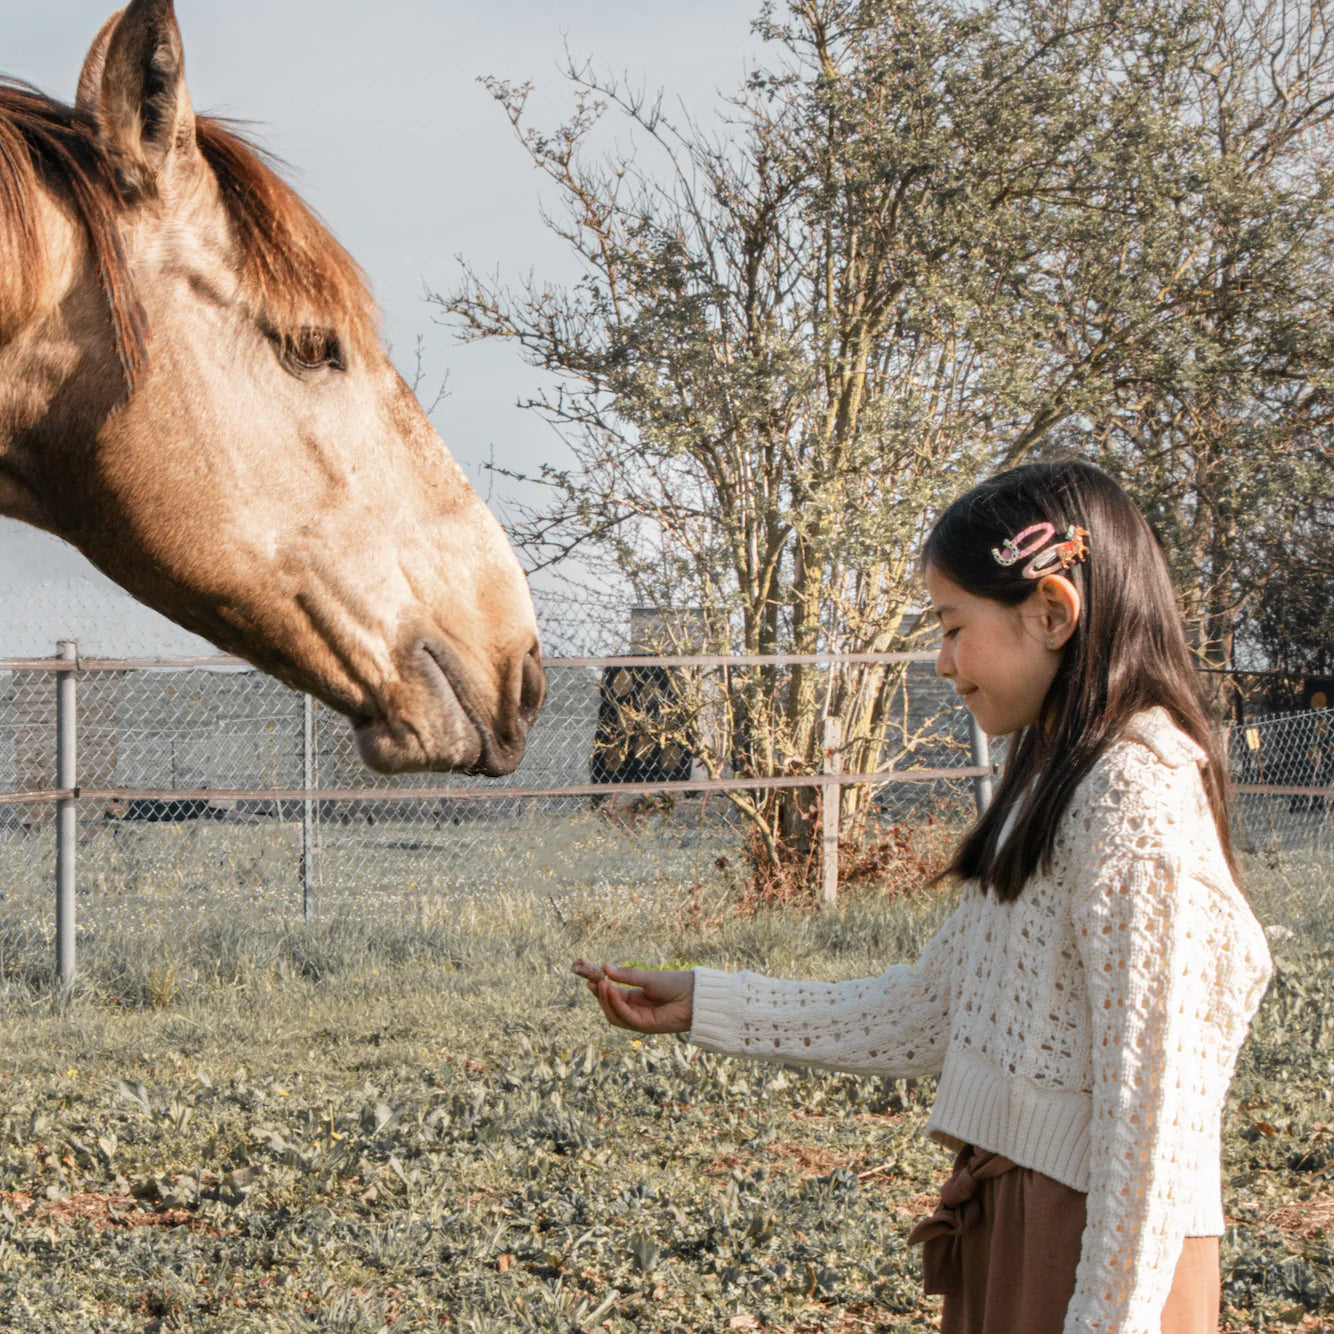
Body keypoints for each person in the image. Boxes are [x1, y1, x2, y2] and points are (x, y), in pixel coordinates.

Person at [573, 460, 1273, 1334]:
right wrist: (709, 1003)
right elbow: (938, 1007)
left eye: (952, 626)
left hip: (1099, 1250)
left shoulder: (1138, 797)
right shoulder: (1056, 779)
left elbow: (1155, 1125)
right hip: (1020, 1218)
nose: (940, 662)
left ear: (1053, 613)